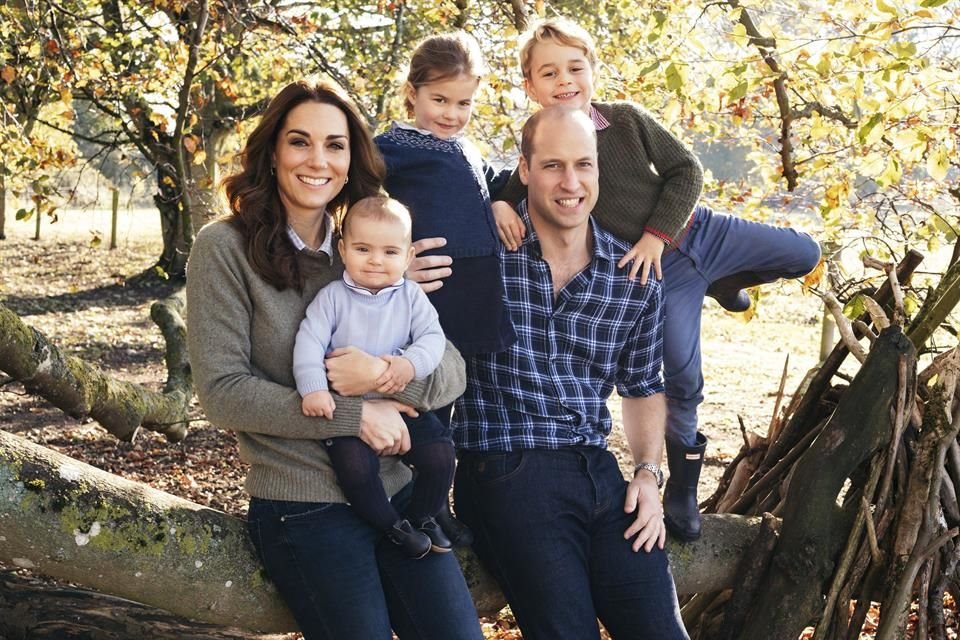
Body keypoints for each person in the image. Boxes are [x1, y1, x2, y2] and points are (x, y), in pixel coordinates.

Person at [491, 17, 822, 541]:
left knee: (805, 252)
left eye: (575, 68)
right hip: (661, 275)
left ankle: (727, 280)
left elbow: (686, 170)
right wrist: (497, 205)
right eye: (549, 73)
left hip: (699, 232)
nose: (565, 81)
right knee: (681, 377)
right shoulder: (546, 147)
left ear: (592, 71)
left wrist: (655, 235)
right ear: (530, 86)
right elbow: (515, 187)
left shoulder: (625, 120)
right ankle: (683, 490)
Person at [185, 80, 483, 640]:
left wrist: (385, 377)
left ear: (352, 161)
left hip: (397, 490)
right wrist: (356, 416)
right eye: (300, 141)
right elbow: (223, 393)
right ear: (273, 152)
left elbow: (452, 370)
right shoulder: (223, 248)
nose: (318, 160)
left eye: (335, 145)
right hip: (303, 503)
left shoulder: (370, 248)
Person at [449, 105, 689, 639]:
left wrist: (648, 474)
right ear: (525, 169)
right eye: (553, 165)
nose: (571, 183)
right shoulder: (481, 257)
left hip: (599, 473)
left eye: (583, 165)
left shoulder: (632, 277)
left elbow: (642, 387)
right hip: (507, 466)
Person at [374, 31, 516, 545]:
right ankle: (422, 503)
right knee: (426, 401)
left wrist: (501, 200)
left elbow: (491, 181)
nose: (452, 114)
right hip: (434, 296)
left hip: (475, 295)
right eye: (440, 100)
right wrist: (393, 260)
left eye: (464, 103)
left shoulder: (466, 147)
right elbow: (357, 203)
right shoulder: (391, 148)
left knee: (453, 402)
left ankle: (441, 500)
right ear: (412, 93)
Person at [292, 196, 454, 558]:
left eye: (390, 252)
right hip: (348, 410)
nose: (376, 260)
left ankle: (422, 517)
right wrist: (314, 389)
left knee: (440, 455)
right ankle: (392, 527)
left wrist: (408, 365)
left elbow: (432, 339)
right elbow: (308, 342)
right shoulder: (332, 298)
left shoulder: (411, 297)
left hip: (398, 404)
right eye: (363, 249)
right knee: (356, 470)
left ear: (408, 257)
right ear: (343, 249)